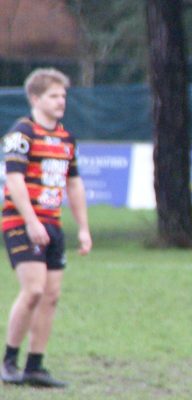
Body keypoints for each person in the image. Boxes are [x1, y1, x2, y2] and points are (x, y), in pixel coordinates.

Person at [1, 68, 93, 387]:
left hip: (52, 223)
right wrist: (30, 220)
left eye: (63, 95)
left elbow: (74, 183)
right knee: (34, 290)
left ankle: (35, 366)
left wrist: (83, 228)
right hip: (21, 221)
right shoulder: (21, 134)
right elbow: (13, 180)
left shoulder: (66, 138)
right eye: (54, 96)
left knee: (51, 296)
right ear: (35, 98)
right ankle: (9, 361)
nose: (61, 101)